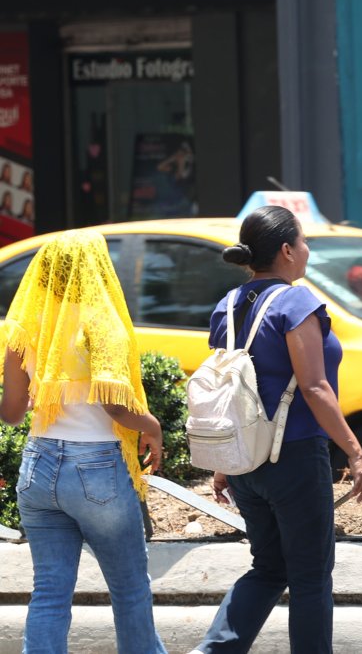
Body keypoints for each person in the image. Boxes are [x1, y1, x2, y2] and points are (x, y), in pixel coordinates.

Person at [190, 205, 362, 654]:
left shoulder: (226, 306)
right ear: (288, 250)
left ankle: (212, 651)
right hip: (292, 457)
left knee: (269, 567)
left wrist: (223, 464)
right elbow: (314, 386)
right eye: (304, 241)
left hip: (244, 460)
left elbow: (228, 383)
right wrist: (355, 451)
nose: (308, 250)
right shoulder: (297, 303)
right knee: (310, 576)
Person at [3, 229, 167, 653]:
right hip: (97, 469)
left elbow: (12, 413)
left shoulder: (27, 327)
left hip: (38, 467)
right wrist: (152, 425)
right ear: (96, 268)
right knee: (129, 588)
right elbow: (115, 405)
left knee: (50, 592)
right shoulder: (101, 321)